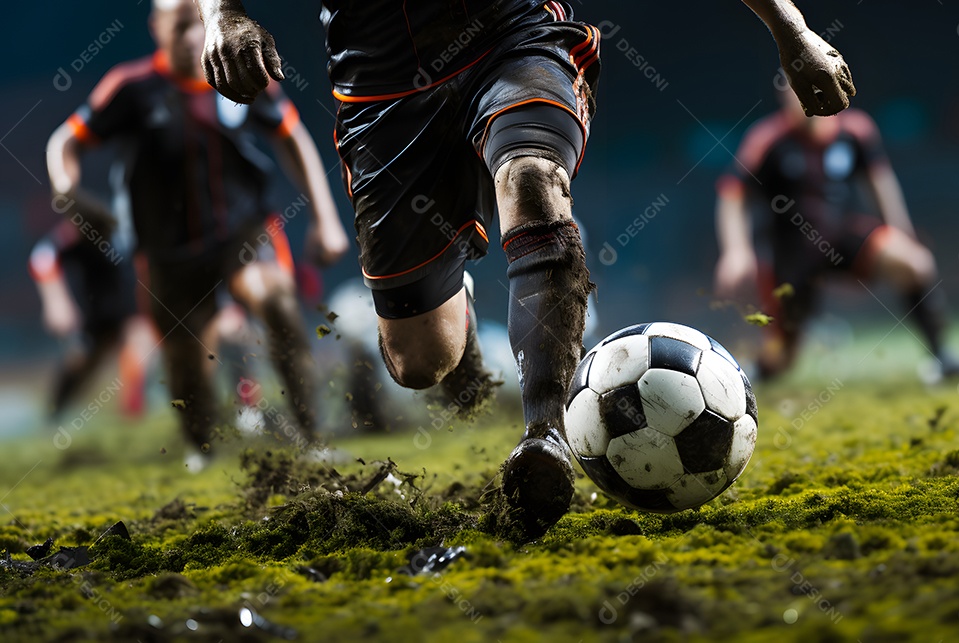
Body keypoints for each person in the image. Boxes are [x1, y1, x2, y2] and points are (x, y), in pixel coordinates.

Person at [193, 0, 854, 536]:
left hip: (511, 39)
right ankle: (462, 281)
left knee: (533, 179)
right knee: (421, 361)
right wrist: (221, 15)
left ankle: (544, 435)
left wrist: (791, 31)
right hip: (380, 91)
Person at [45, 0, 349, 458]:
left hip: (243, 233)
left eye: (200, 23)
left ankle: (312, 438)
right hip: (168, 253)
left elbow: (293, 137)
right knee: (189, 377)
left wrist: (326, 219)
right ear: (156, 27)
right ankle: (204, 452)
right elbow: (64, 140)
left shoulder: (236, 69)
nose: (193, 37)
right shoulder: (130, 88)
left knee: (276, 299)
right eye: (182, 25)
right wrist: (66, 188)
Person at [714, 87, 959, 380]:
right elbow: (732, 195)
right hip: (791, 254)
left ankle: (942, 359)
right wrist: (735, 251)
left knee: (914, 262)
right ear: (783, 91)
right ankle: (743, 376)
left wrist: (900, 229)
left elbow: (879, 179)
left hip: (841, 235)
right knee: (781, 360)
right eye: (797, 83)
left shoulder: (856, 129)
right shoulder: (767, 138)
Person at [28, 217, 155, 420]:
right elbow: (43, 255)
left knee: (140, 347)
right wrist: (55, 300)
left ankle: (133, 416)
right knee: (82, 361)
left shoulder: (142, 221)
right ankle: (54, 413)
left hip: (133, 303)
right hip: (95, 309)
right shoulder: (91, 225)